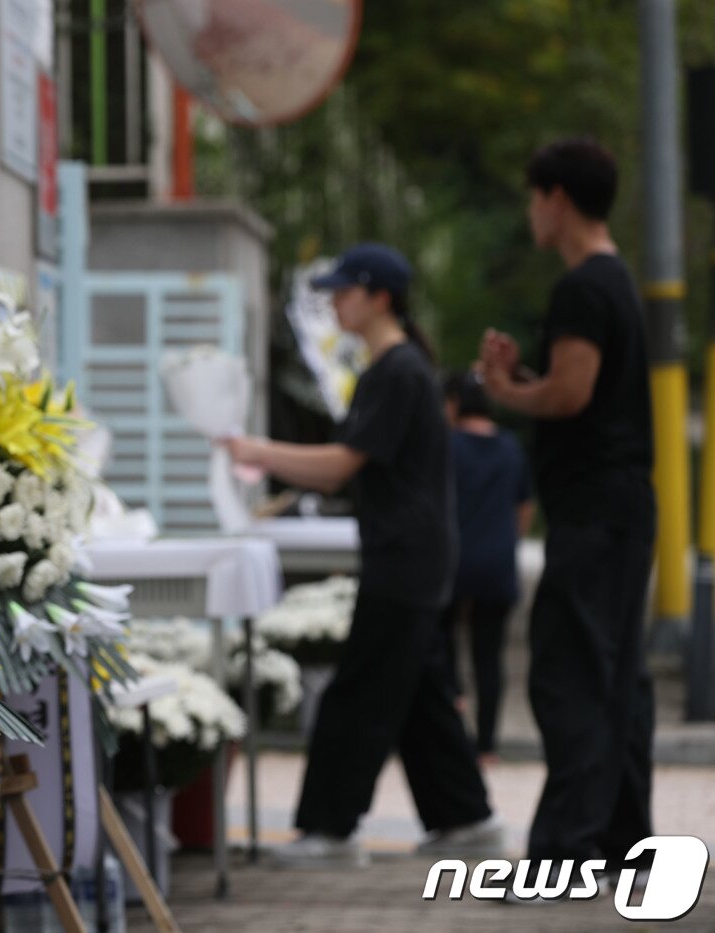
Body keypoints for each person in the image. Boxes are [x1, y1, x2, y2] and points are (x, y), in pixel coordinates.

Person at [221, 243, 502, 868]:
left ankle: (330, 830)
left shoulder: (395, 372)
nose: (335, 302)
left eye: (346, 292)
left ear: (380, 297)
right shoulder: (399, 369)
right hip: (414, 555)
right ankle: (466, 820)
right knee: (418, 693)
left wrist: (257, 451)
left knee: (359, 695)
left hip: (404, 558)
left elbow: (342, 467)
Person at [478, 138, 655, 879]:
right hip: (621, 506)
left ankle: (565, 846)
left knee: (570, 671)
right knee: (615, 673)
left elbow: (572, 393)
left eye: (534, 196)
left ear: (557, 198)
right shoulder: (617, 283)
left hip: (594, 507)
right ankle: (620, 840)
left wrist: (504, 389)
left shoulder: (583, 288)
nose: (531, 213)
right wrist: (528, 376)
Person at [438, 371, 534, 764]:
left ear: (455, 404)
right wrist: (508, 540)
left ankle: (451, 733)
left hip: (452, 562)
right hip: (497, 563)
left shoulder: (446, 446)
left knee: (443, 651)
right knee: (488, 657)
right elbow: (524, 507)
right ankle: (488, 746)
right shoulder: (511, 447)